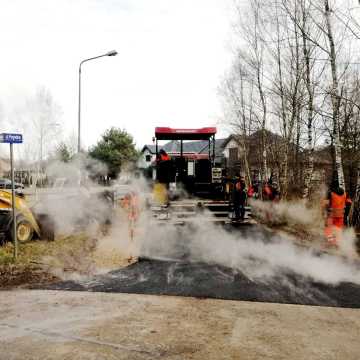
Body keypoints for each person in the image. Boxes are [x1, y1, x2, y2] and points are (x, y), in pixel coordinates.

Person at [323, 178, 352, 247]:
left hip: (332, 215)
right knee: (338, 229)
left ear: (332, 186)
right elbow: (349, 203)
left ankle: (331, 243)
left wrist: (325, 212)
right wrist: (346, 214)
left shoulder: (330, 193)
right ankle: (337, 244)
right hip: (341, 215)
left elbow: (325, 204)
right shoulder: (345, 193)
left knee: (328, 229)